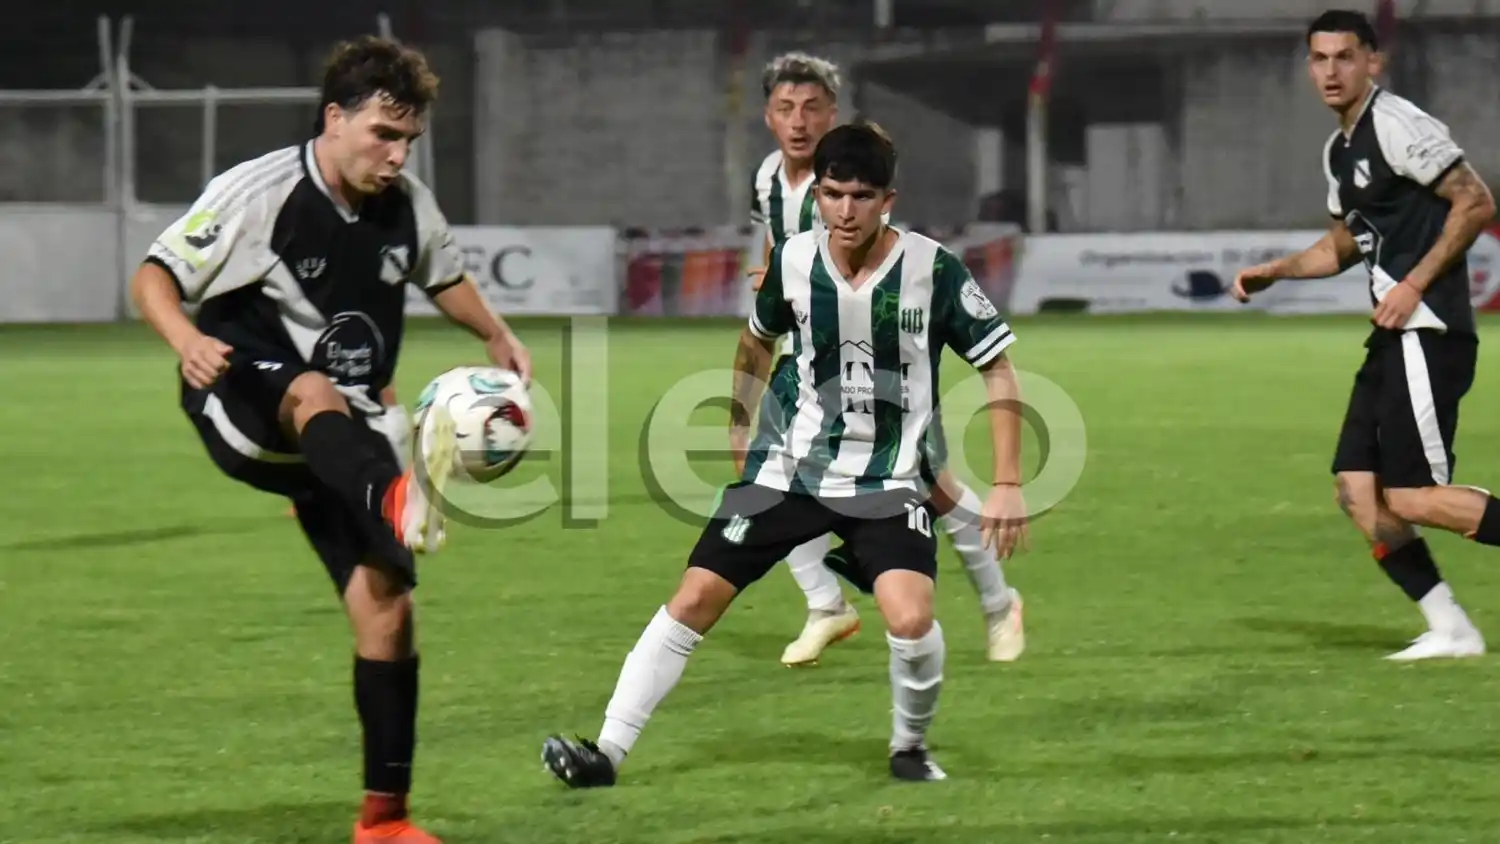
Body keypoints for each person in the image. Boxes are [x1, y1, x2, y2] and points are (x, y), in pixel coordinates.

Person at [542, 121, 1029, 787]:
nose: (845, 211)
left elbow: (997, 367)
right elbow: (755, 339)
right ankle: (606, 753)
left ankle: (909, 748)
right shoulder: (795, 262)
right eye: (832, 194)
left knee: (912, 618)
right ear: (818, 195)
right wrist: (739, 421)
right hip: (787, 469)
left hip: (888, 479)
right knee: (694, 596)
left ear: (888, 200)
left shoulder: (933, 270)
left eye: (861, 197)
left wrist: (1008, 482)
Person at [130, 36, 531, 843]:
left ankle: (385, 820)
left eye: (408, 139)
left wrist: (494, 333)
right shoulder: (262, 192)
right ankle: (393, 494)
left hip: (343, 429)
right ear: (334, 118)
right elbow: (155, 275)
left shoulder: (406, 205)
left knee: (389, 608)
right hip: (238, 394)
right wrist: (186, 340)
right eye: (383, 134)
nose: (397, 154)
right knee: (313, 392)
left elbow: (443, 274)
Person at [1232, 9, 1498, 661]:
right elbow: (1344, 245)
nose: (1331, 70)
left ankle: (1453, 631)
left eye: (1345, 57)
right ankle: (1451, 630)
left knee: (1412, 495)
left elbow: (1476, 201)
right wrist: (1275, 271)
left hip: (1427, 329)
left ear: (1372, 61)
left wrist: (1414, 285)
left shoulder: (1398, 124)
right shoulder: (1339, 150)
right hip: (1391, 336)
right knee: (1357, 490)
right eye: (1319, 59)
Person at [748, 51, 1025, 667]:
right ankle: (826, 604)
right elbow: (780, 246)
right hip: (804, 362)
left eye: (812, 108)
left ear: (833, 114)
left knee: (934, 488)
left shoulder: (854, 175)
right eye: (786, 108)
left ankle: (998, 602)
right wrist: (769, 274)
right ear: (767, 116)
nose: (798, 121)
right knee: (767, 478)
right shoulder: (767, 178)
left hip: (881, 361)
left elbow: (882, 255)